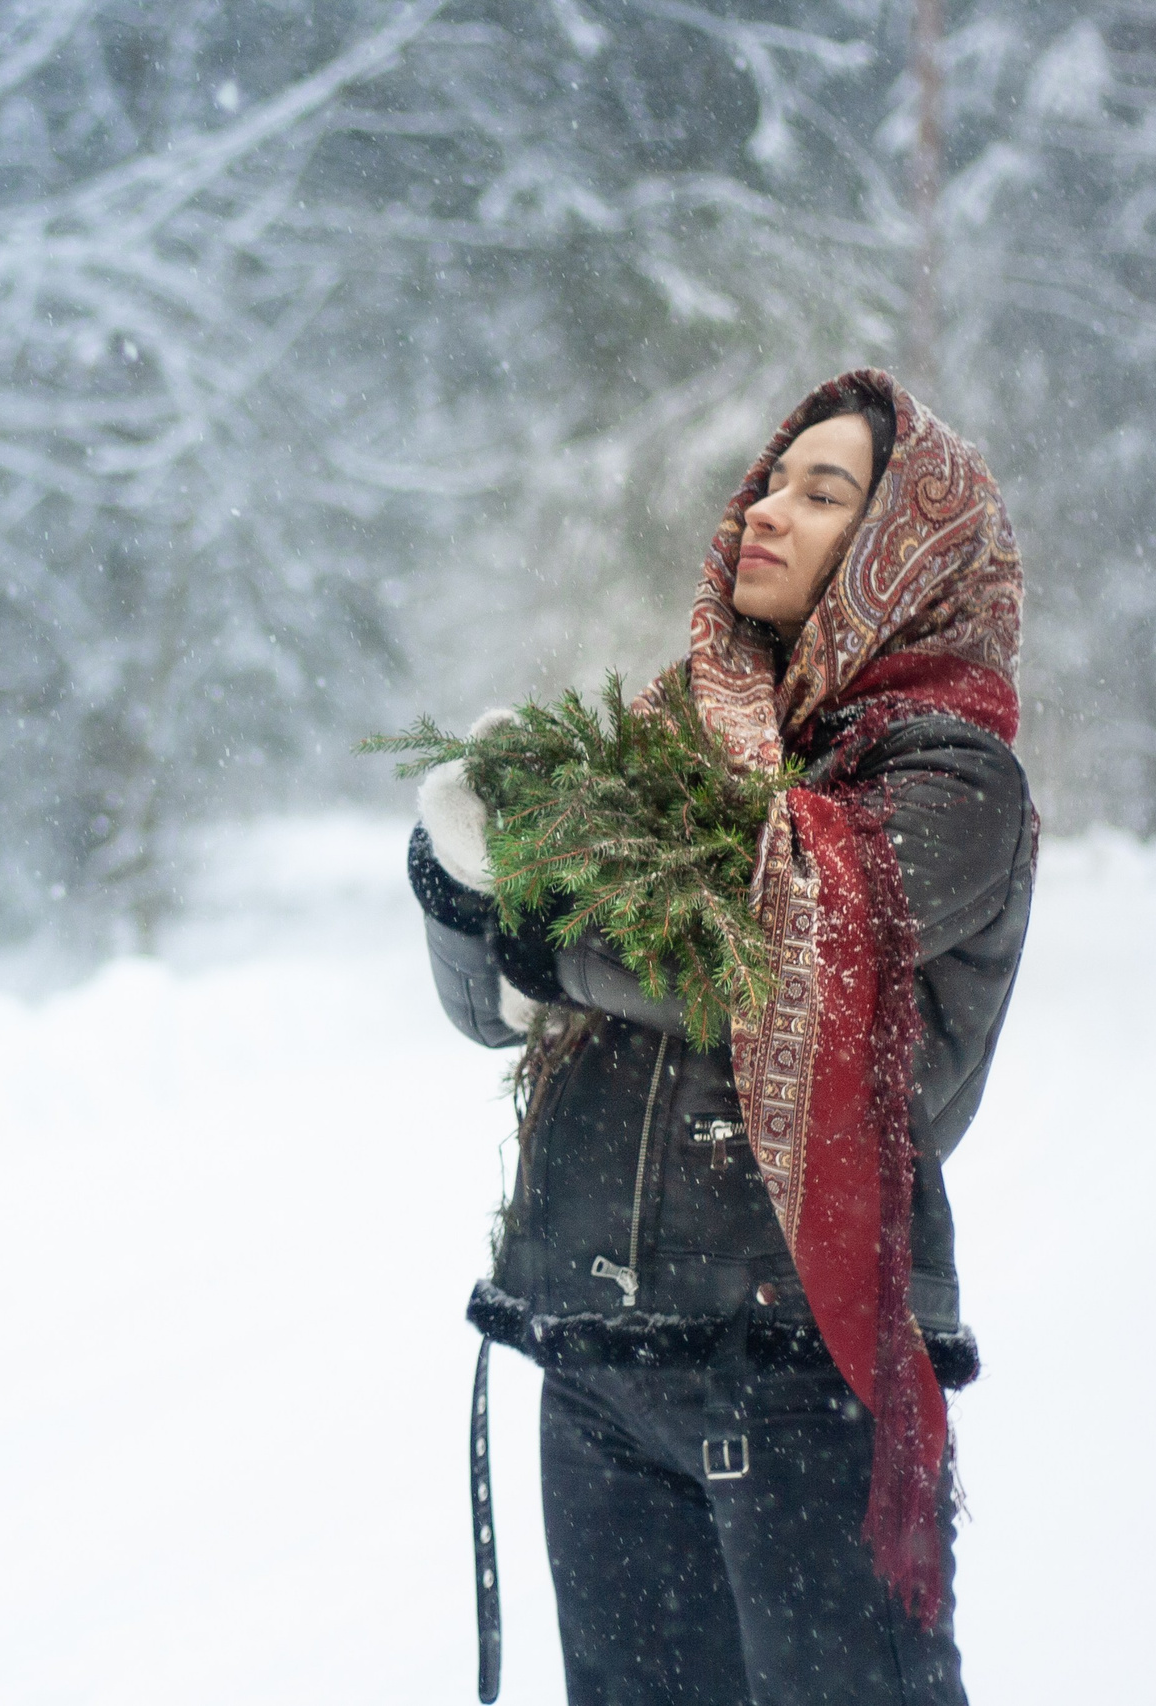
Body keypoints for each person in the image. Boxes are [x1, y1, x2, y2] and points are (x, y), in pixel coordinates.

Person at [409, 369, 1036, 1706]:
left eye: (824, 492)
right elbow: (493, 1015)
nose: (767, 508)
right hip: (597, 1362)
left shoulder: (949, 772)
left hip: (798, 1368)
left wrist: (542, 911)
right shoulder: (670, 738)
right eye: (771, 478)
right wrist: (460, 876)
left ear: (899, 548)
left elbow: (759, 938)